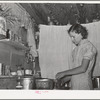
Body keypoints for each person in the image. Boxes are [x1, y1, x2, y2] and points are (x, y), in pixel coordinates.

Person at [55, 24, 97, 90]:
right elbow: (76, 72)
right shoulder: (75, 50)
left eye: (73, 37)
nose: (72, 40)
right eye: (70, 37)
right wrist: (64, 80)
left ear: (81, 34)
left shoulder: (89, 47)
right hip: (75, 86)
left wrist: (64, 73)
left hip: (84, 86)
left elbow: (83, 69)